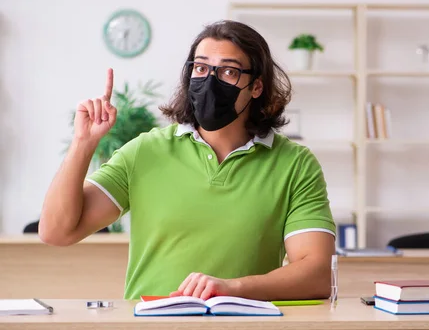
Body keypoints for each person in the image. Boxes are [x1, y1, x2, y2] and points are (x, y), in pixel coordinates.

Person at [39, 20, 336, 301]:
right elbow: (56, 232)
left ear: (256, 87)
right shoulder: (146, 151)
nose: (210, 81)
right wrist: (83, 142)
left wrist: (231, 288)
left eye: (228, 72)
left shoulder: (295, 164)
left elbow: (317, 275)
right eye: (201, 68)